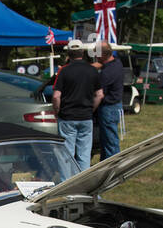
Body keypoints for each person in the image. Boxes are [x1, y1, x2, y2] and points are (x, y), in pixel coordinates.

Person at [52, 39, 102, 174]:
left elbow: (56, 96)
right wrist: (91, 109)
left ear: (69, 53)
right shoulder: (92, 71)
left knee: (66, 154)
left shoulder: (64, 71)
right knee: (84, 154)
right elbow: (100, 95)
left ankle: (66, 182)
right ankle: (83, 184)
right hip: (85, 116)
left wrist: (57, 111)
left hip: (67, 117)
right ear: (83, 52)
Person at [95, 43, 125, 160]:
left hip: (108, 108)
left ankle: (114, 166)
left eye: (97, 53)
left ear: (103, 55)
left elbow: (99, 93)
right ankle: (105, 164)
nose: (96, 56)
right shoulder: (117, 62)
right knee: (107, 140)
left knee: (110, 142)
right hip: (115, 106)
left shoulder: (106, 73)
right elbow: (101, 64)